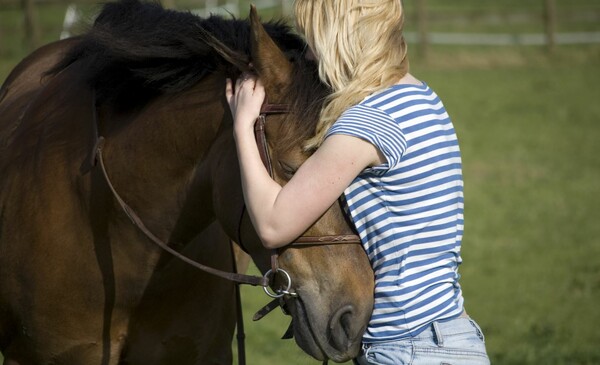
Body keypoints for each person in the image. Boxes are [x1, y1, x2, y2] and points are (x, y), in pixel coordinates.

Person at [225, 0, 490, 364]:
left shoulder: (366, 123)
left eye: (313, 37)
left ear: (335, 36)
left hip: (404, 350)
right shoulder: (423, 99)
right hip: (456, 338)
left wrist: (242, 123)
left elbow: (273, 223)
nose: (311, 56)